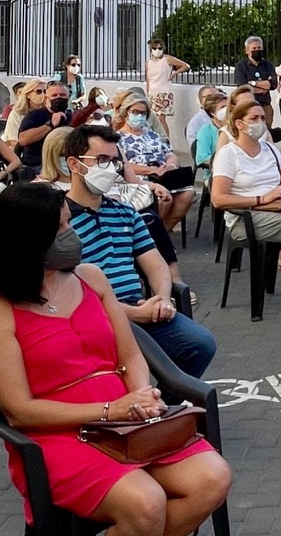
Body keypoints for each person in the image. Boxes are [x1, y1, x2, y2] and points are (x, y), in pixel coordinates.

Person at [0, 183, 231, 536]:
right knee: (146, 503)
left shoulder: (90, 279)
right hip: (60, 435)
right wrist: (111, 407)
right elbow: (21, 411)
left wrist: (145, 395)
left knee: (213, 478)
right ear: (27, 240)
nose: (72, 234)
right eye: (62, 227)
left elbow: (130, 354)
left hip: (127, 417)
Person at [62, 125, 219, 374]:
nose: (110, 169)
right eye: (101, 160)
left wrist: (162, 299)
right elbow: (66, 292)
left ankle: (166, 405)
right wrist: (135, 314)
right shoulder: (61, 220)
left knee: (200, 344)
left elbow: (155, 263)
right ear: (74, 164)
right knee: (125, 365)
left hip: (139, 307)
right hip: (92, 318)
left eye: (115, 162)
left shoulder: (125, 212)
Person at [210, 97, 281, 268]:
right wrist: (261, 200)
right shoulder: (228, 154)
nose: (260, 123)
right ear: (239, 124)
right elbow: (218, 199)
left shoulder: (270, 149)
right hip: (246, 218)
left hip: (278, 207)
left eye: (262, 118)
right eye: (254, 119)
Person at [119, 102, 195, 234]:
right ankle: (152, 235)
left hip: (163, 175)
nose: (140, 116)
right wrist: (152, 170)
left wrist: (170, 166)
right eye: (135, 112)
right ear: (126, 113)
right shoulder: (118, 138)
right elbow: (122, 165)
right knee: (164, 198)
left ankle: (162, 232)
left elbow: (171, 154)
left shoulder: (153, 135)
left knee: (188, 194)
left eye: (143, 113)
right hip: (139, 178)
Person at [17, 82, 74, 163]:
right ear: (47, 98)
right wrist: (50, 125)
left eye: (62, 95)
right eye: (54, 95)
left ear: (68, 97)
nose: (58, 98)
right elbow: (23, 140)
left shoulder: (72, 117)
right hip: (38, 164)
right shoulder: (35, 115)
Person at [143, 40, 188, 139]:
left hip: (164, 92)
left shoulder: (167, 59)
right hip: (152, 93)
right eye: (155, 48)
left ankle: (166, 141)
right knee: (153, 119)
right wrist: (148, 95)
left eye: (160, 48)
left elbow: (185, 66)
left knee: (161, 118)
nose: (157, 50)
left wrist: (174, 73)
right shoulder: (148, 62)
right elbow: (148, 80)